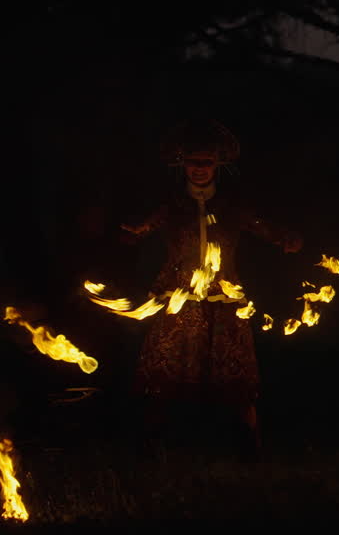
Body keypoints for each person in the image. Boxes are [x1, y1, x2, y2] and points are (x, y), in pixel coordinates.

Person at [121, 119, 302, 461]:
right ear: (182, 164)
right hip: (178, 300)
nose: (200, 169)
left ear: (218, 164)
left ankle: (250, 449)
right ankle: (148, 448)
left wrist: (284, 238)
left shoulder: (232, 207)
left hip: (224, 301)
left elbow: (259, 224)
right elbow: (144, 224)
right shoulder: (171, 206)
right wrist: (133, 232)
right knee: (162, 376)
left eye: (206, 162)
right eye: (193, 162)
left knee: (236, 379)